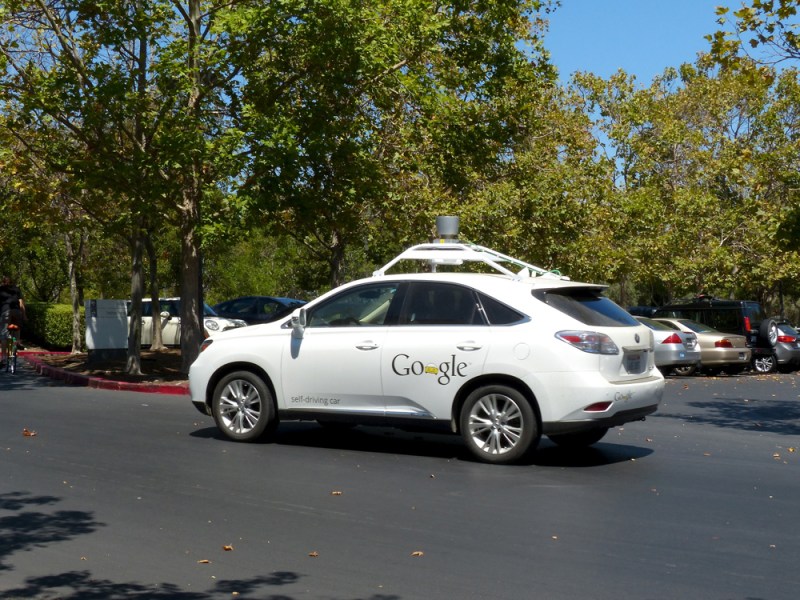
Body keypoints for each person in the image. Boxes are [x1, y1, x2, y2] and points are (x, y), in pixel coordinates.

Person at [0, 275, 26, 365]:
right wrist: (24, 315)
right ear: (11, 282)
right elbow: (21, 303)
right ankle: (16, 344)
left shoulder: (1, 289)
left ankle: (3, 358)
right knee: (16, 330)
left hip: (5, 311)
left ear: (3, 282)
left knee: (4, 334)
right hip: (16, 311)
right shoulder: (16, 289)